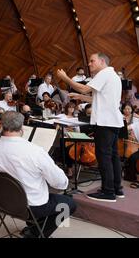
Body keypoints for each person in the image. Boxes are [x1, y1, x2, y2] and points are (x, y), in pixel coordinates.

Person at [0, 111, 76, 238]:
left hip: (2, 202)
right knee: (69, 204)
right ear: (22, 128)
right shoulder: (35, 151)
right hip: (29, 207)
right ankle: (36, 234)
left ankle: (34, 228)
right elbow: (60, 183)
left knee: (30, 187)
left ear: (2, 125)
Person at [58, 52, 124, 202]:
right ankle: (116, 188)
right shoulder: (113, 76)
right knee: (113, 156)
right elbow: (99, 97)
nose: (89, 64)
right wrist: (81, 98)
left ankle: (108, 192)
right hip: (113, 122)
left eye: (92, 61)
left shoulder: (104, 73)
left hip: (105, 122)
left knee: (104, 156)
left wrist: (66, 78)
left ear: (102, 61)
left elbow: (84, 89)